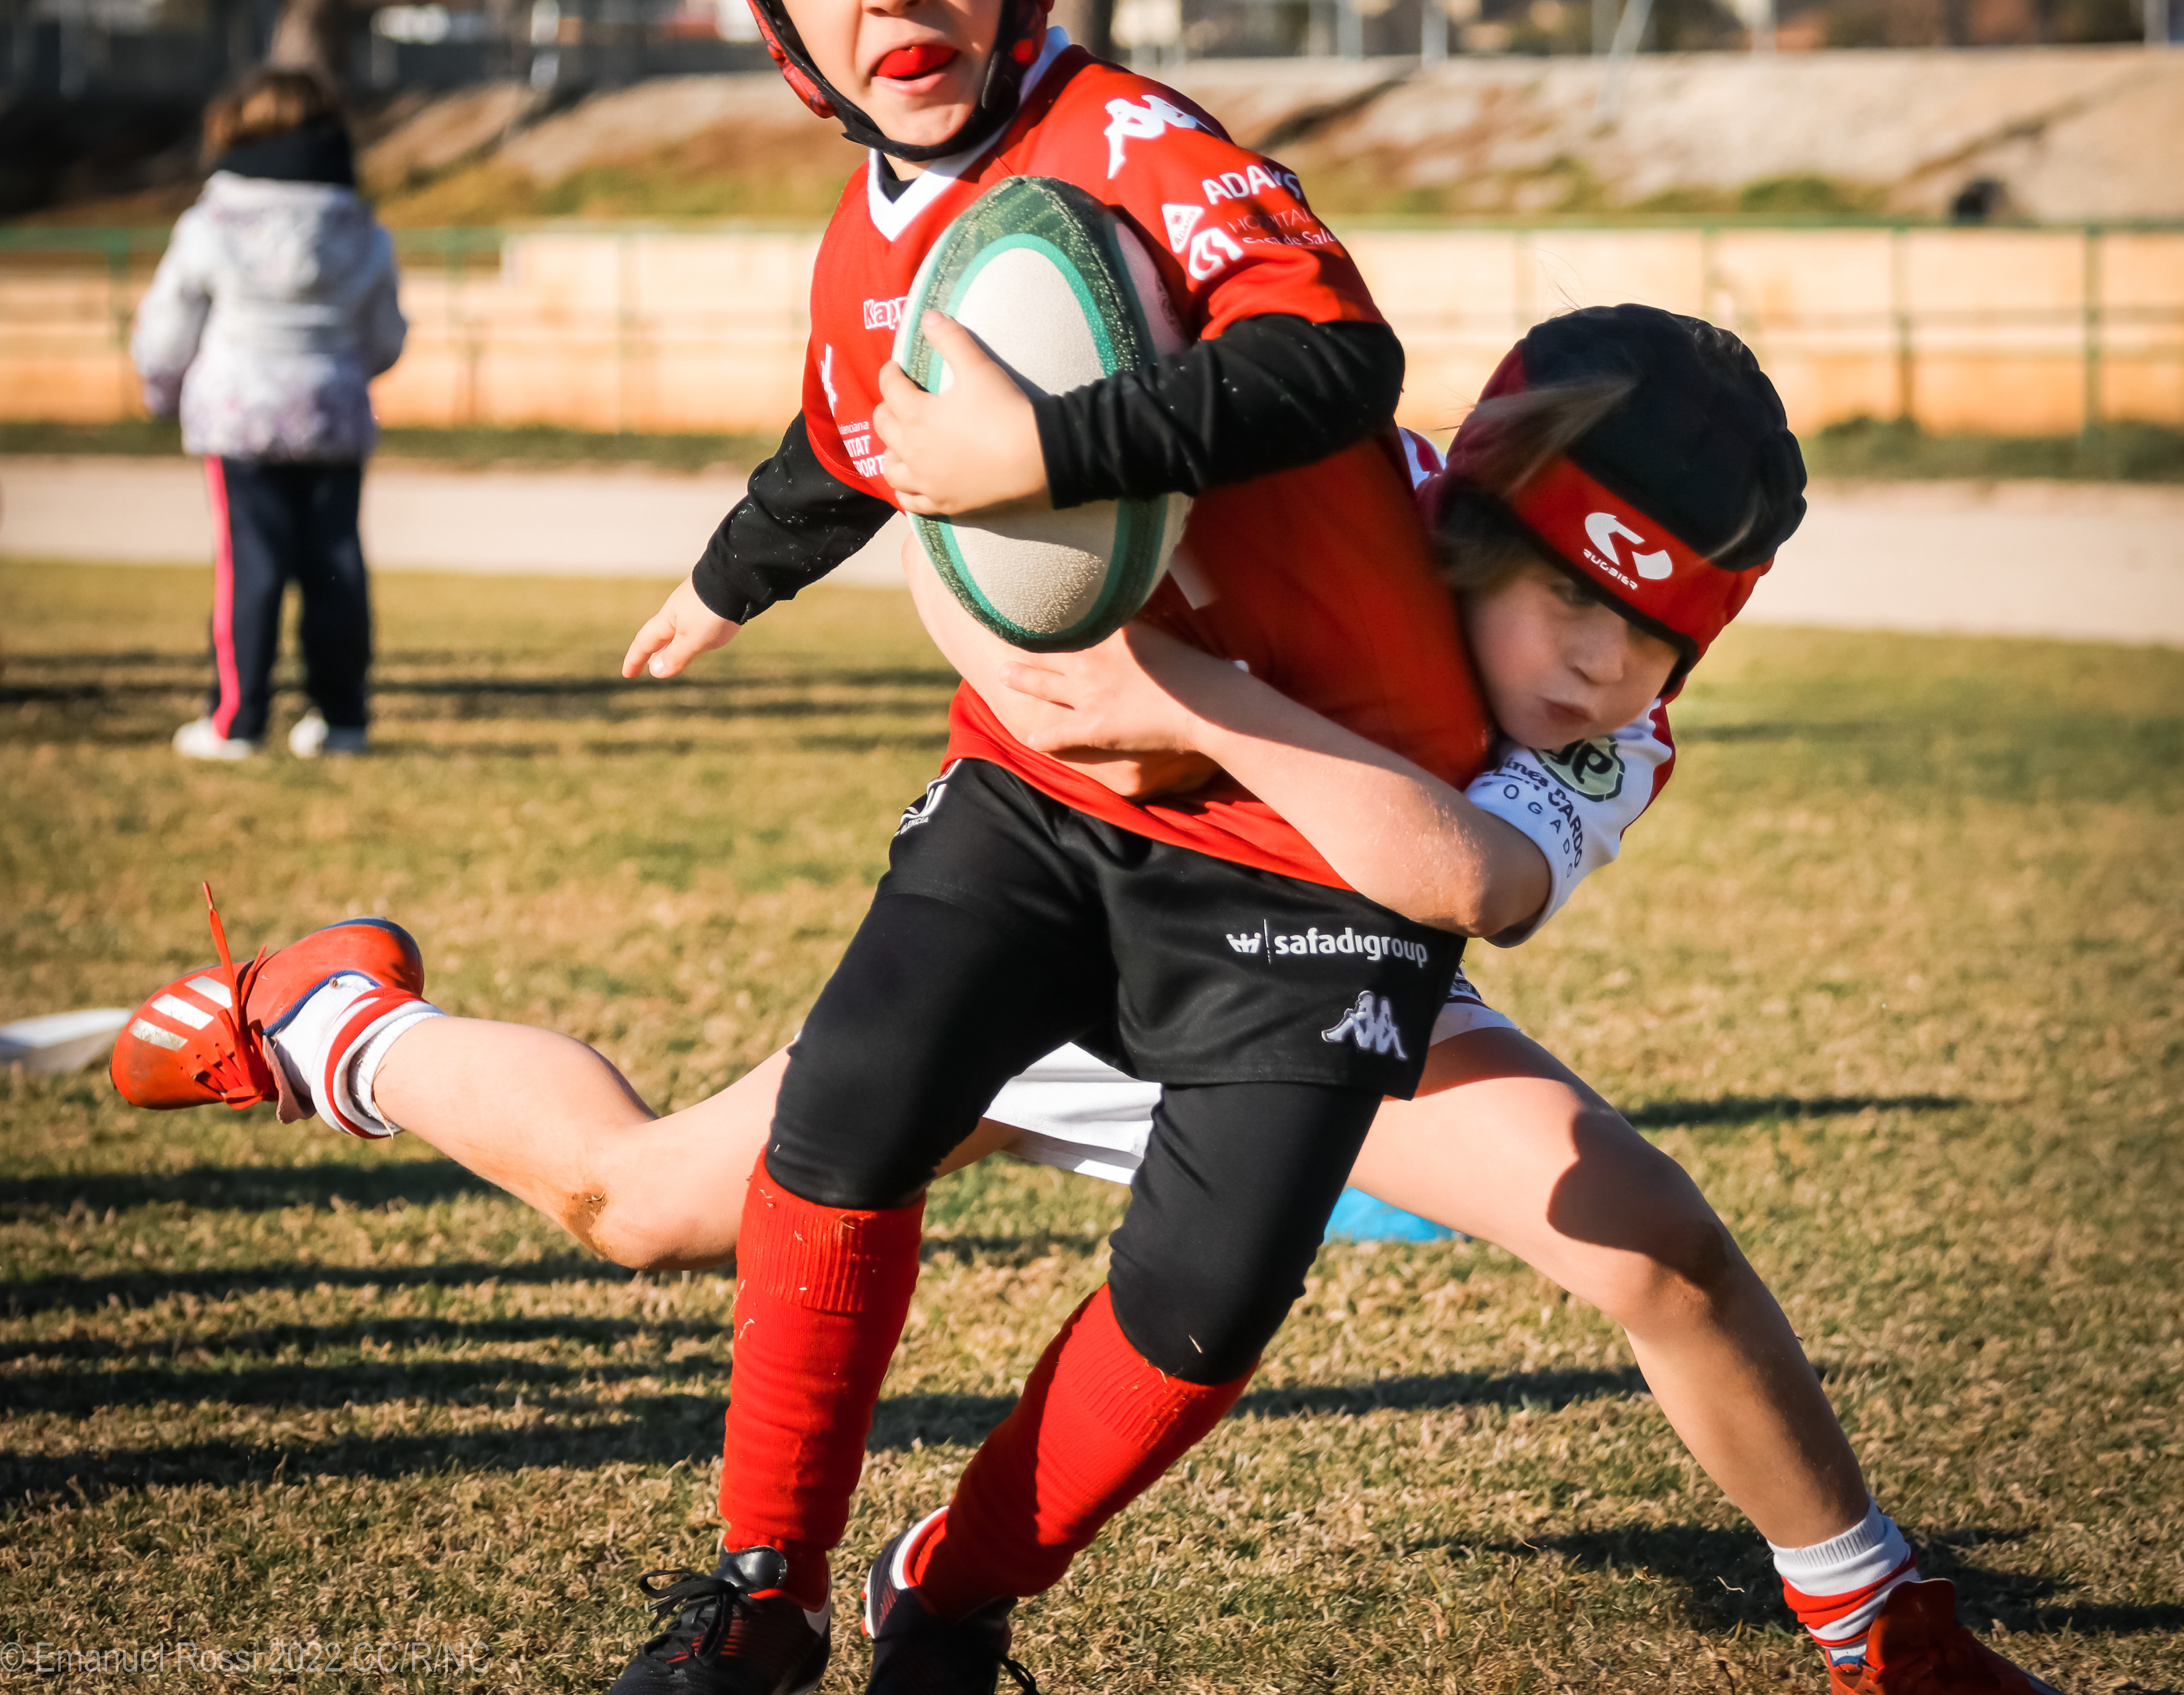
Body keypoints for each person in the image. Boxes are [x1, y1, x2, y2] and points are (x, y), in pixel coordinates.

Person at [111, 302, 2059, 1695]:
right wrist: (1052, 633)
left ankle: (1873, 1617)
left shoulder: (1613, 737)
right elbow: (978, 570)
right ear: (1477, 513)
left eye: (1660, 645)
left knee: (1656, 1243)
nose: (1611, 677)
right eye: (1581, 605)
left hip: (1311, 990)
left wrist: (1183, 697)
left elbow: (1466, 879)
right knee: (636, 1204)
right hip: (1060, 950)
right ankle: (331, 1022)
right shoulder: (1305, 482)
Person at [132, 66, 404, 762]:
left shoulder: (211, 224)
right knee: (336, 568)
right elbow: (385, 338)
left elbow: (166, 332)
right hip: (332, 417)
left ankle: (235, 720)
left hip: (239, 417)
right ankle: (343, 719)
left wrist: (161, 389)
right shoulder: (361, 227)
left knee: (248, 566)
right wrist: (338, 370)